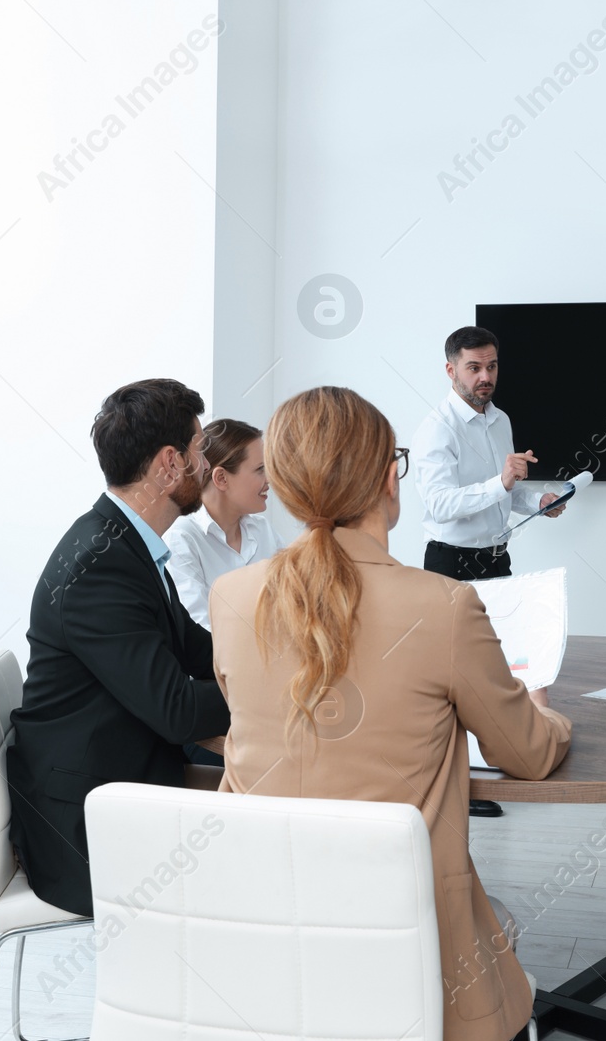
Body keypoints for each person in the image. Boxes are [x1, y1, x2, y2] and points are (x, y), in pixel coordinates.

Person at [209, 386, 571, 1041]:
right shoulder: (445, 604)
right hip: (418, 949)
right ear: (386, 479)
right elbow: (529, 754)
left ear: (286, 485)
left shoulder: (232, 597)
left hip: (261, 932)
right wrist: (546, 709)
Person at [7, 378, 232, 917]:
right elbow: (177, 710)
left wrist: (274, 657)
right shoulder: (99, 565)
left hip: (129, 788)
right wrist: (272, 687)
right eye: (200, 449)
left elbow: (198, 650)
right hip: (84, 834)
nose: (207, 465)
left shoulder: (125, 543)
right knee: (260, 862)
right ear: (169, 464)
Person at [413, 325, 569, 818]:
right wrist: (501, 484)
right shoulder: (436, 428)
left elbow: (502, 488)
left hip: (495, 557)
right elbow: (438, 505)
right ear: (450, 370)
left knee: (498, 669)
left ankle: (491, 771)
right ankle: (451, 784)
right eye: (474, 368)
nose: (485, 377)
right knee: (449, 678)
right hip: (451, 561)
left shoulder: (500, 419)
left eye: (492, 366)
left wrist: (536, 498)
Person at [165, 418, 285, 630]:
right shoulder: (181, 538)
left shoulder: (263, 530)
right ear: (221, 478)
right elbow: (199, 629)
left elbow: (293, 606)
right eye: (260, 469)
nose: (269, 480)